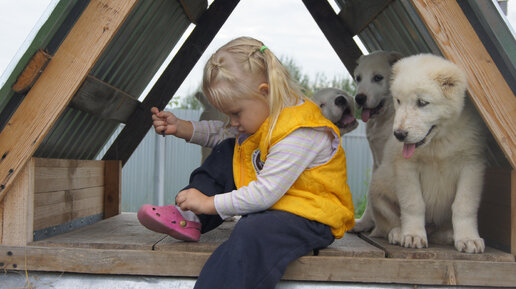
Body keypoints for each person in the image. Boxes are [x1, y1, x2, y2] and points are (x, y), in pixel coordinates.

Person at [138, 36, 355, 289]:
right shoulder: (263, 116)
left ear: (264, 92)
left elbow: (264, 193)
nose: (232, 121)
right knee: (229, 150)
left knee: (251, 233)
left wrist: (211, 203)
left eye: (235, 113)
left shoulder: (300, 131)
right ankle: (191, 217)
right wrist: (182, 127)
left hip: (311, 216)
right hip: (274, 208)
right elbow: (223, 133)